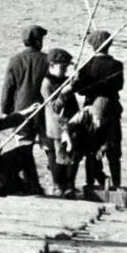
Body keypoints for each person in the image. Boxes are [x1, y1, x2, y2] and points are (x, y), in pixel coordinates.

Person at [0, 24, 49, 195]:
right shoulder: (46, 59)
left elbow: (8, 87)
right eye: (41, 39)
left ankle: (31, 184)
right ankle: (58, 182)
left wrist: (5, 110)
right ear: (36, 41)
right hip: (43, 109)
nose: (42, 42)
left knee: (24, 147)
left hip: (21, 109)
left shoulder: (15, 60)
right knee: (48, 145)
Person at [73, 28, 125, 191]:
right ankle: (116, 184)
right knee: (114, 151)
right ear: (109, 45)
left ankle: (90, 184)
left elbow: (79, 90)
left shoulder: (87, 66)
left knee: (91, 149)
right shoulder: (116, 65)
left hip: (90, 111)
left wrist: (77, 75)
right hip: (112, 111)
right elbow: (119, 86)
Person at [40, 47, 81, 197]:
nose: (65, 70)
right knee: (59, 156)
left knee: (73, 155)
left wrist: (75, 76)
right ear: (51, 65)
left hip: (70, 124)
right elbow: (55, 107)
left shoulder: (62, 79)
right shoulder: (46, 84)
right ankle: (59, 186)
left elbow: (73, 86)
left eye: (66, 67)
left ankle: (70, 186)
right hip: (57, 126)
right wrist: (65, 92)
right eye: (62, 67)